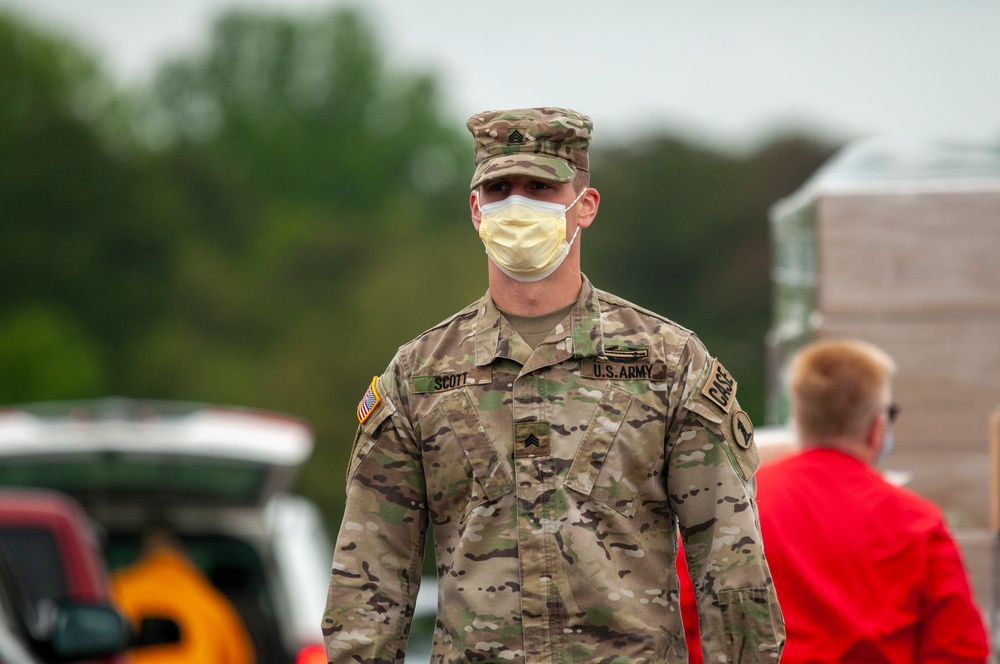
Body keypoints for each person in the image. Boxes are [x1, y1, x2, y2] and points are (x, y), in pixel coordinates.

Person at [322, 107, 784, 662]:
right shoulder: (418, 375)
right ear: (476, 209)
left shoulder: (667, 363)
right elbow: (369, 582)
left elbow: (730, 564)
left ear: (583, 206)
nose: (517, 204)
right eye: (498, 188)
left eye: (541, 187)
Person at [746, 338, 989, 662]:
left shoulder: (739, 505)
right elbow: (957, 651)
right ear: (877, 427)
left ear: (799, 419)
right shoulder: (917, 522)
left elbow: (685, 618)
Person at [110, 529, 255, 664]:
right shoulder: (212, 601)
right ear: (185, 558)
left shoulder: (116, 589)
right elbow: (240, 658)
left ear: (142, 556)